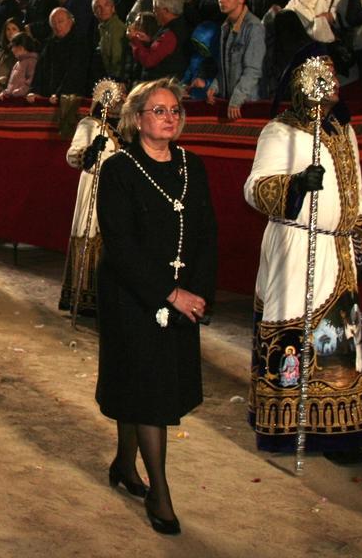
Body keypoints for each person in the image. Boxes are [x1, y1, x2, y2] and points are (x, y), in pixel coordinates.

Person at [96, 78, 217, 535]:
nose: (169, 118)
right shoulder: (120, 170)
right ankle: (159, 492)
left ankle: (125, 464)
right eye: (159, 110)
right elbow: (122, 247)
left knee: (144, 381)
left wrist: (199, 290)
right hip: (132, 297)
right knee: (148, 390)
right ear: (137, 117)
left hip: (185, 297)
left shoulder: (192, 165)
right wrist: (170, 293)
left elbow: (207, 232)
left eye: (174, 111)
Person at [244, 48, 362, 463]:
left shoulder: (343, 131)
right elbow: (255, 187)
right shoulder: (280, 131)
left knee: (341, 342)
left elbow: (356, 189)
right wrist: (297, 185)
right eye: (324, 76)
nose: (333, 83)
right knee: (297, 337)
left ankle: (340, 433)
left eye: (336, 75)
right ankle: (290, 426)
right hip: (298, 245)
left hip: (337, 248)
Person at [59, 85, 123, 318]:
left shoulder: (126, 128)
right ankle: (83, 295)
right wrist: (88, 153)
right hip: (93, 187)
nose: (119, 101)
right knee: (90, 233)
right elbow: (72, 155)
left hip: (117, 192)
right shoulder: (89, 124)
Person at [206, 0, 265, 119]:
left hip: (248, 102)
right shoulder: (226, 26)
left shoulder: (253, 27)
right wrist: (216, 85)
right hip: (232, 100)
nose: (221, 0)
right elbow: (224, 65)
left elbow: (253, 69)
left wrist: (237, 98)